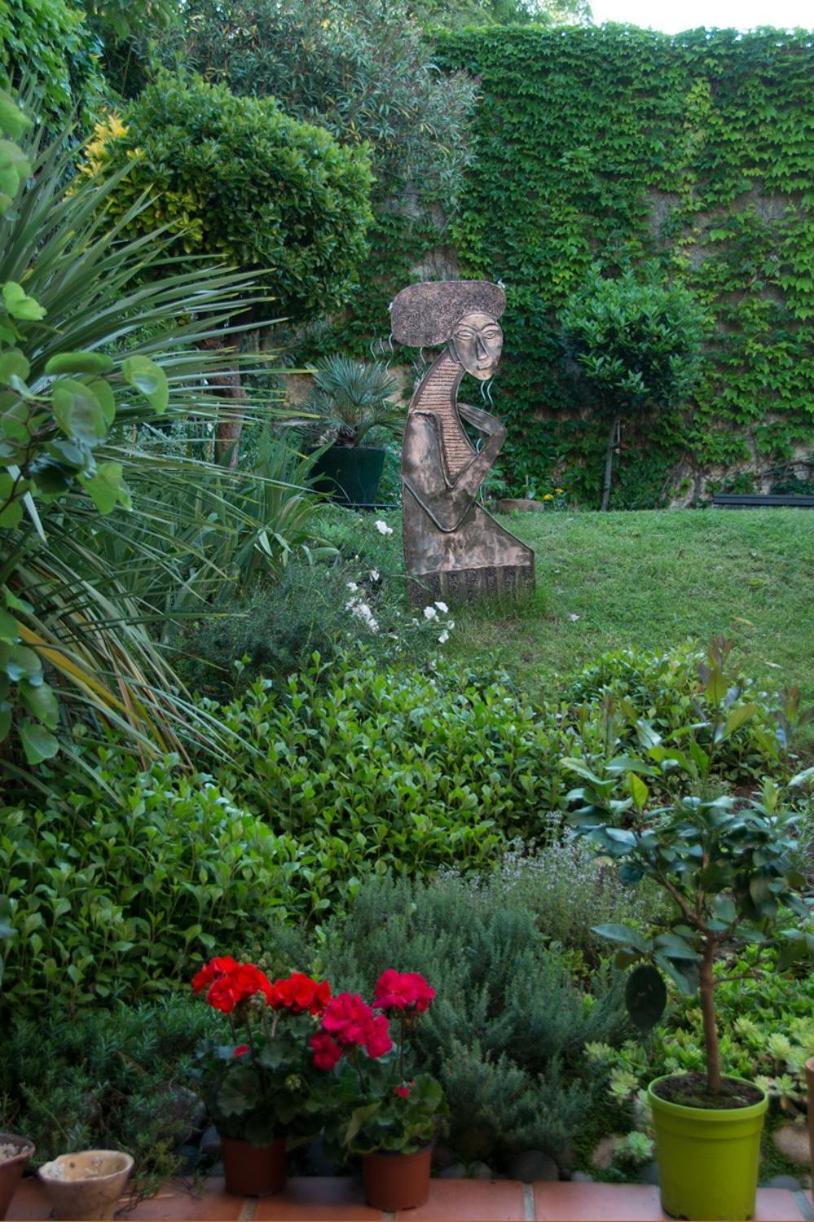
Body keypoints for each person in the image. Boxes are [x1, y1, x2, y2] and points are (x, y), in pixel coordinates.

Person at [390, 279, 535, 602]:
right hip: (436, 558)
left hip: (459, 548)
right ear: (452, 345)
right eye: (468, 337)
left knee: (519, 554)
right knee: (515, 556)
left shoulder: (444, 408)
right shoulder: (423, 418)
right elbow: (447, 515)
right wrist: (492, 446)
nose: (483, 352)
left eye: (492, 335)